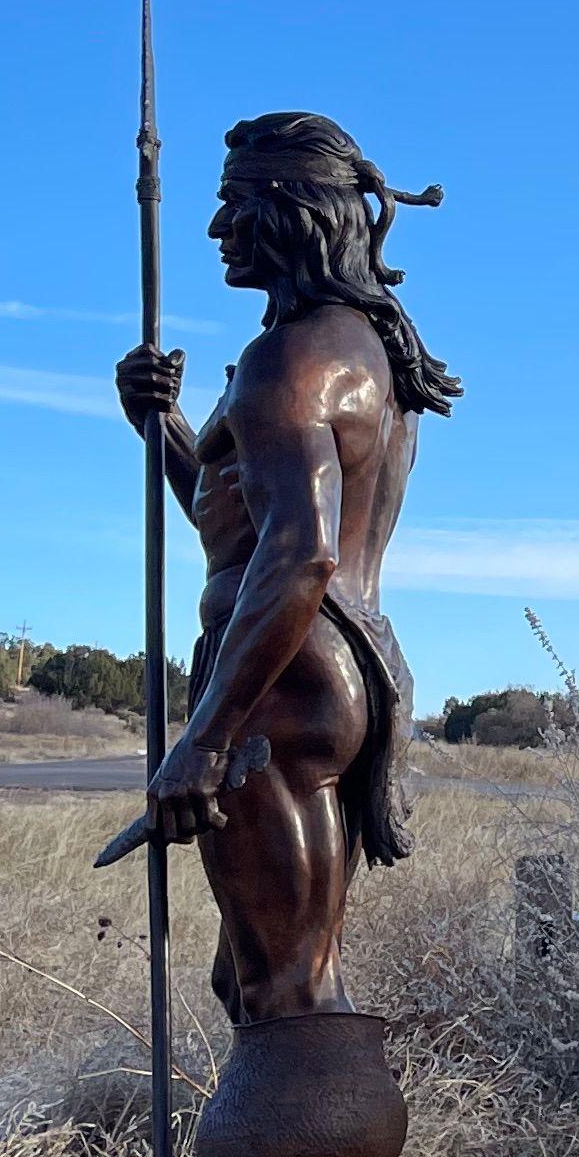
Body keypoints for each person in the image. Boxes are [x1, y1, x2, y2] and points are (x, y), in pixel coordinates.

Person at [113, 112, 455, 1030]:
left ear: (290, 211)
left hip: (279, 683)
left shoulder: (289, 364)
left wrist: (207, 738)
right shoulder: (363, 353)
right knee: (266, 982)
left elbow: (299, 553)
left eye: (233, 206)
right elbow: (235, 524)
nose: (217, 230)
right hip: (330, 669)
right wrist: (165, 430)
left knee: (286, 994)